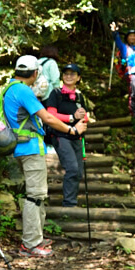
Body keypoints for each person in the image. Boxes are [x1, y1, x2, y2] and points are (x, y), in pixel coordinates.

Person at [3, 55, 87, 258]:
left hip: (25, 147)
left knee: (38, 195)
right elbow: (48, 117)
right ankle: (30, 244)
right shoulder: (22, 90)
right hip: (30, 149)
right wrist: (72, 131)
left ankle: (36, 238)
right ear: (35, 73)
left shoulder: (10, 88)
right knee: (34, 196)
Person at [46, 63, 89, 207]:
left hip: (77, 137)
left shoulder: (79, 96)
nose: (69, 76)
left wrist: (84, 119)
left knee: (78, 172)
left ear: (78, 78)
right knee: (72, 168)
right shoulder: (56, 93)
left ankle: (72, 200)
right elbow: (50, 115)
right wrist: (71, 117)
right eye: (66, 74)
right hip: (60, 135)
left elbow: (84, 115)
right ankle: (69, 204)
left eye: (72, 74)